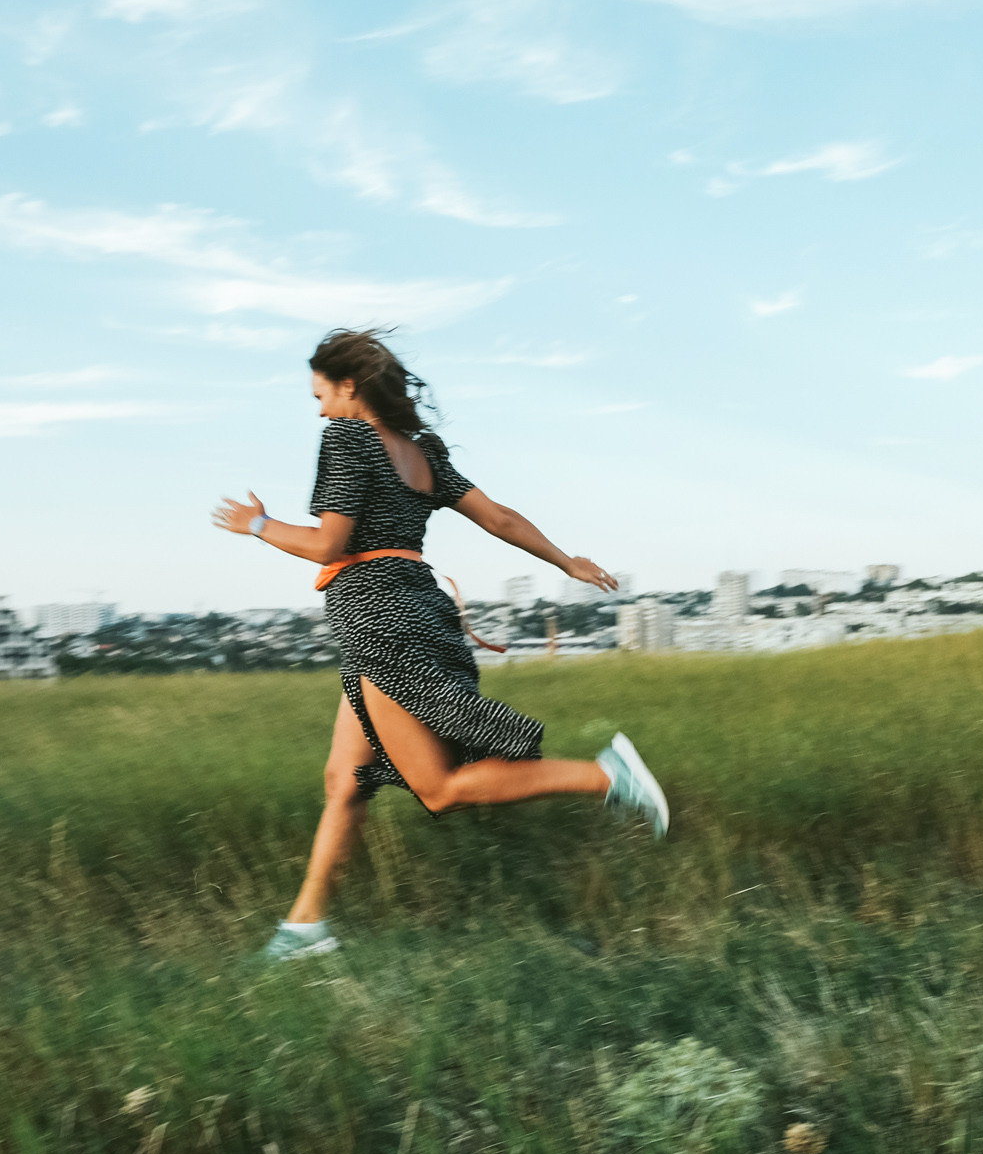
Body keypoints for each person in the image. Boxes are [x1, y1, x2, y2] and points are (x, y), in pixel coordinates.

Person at [211, 328, 668, 962]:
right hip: (420, 611)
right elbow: (498, 517)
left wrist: (255, 525)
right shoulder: (421, 450)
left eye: (321, 395)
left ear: (349, 387)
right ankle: (304, 928)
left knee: (439, 789)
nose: (318, 410)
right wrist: (567, 561)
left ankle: (605, 775)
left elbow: (328, 546)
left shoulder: (345, 439)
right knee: (344, 780)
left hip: (380, 622)